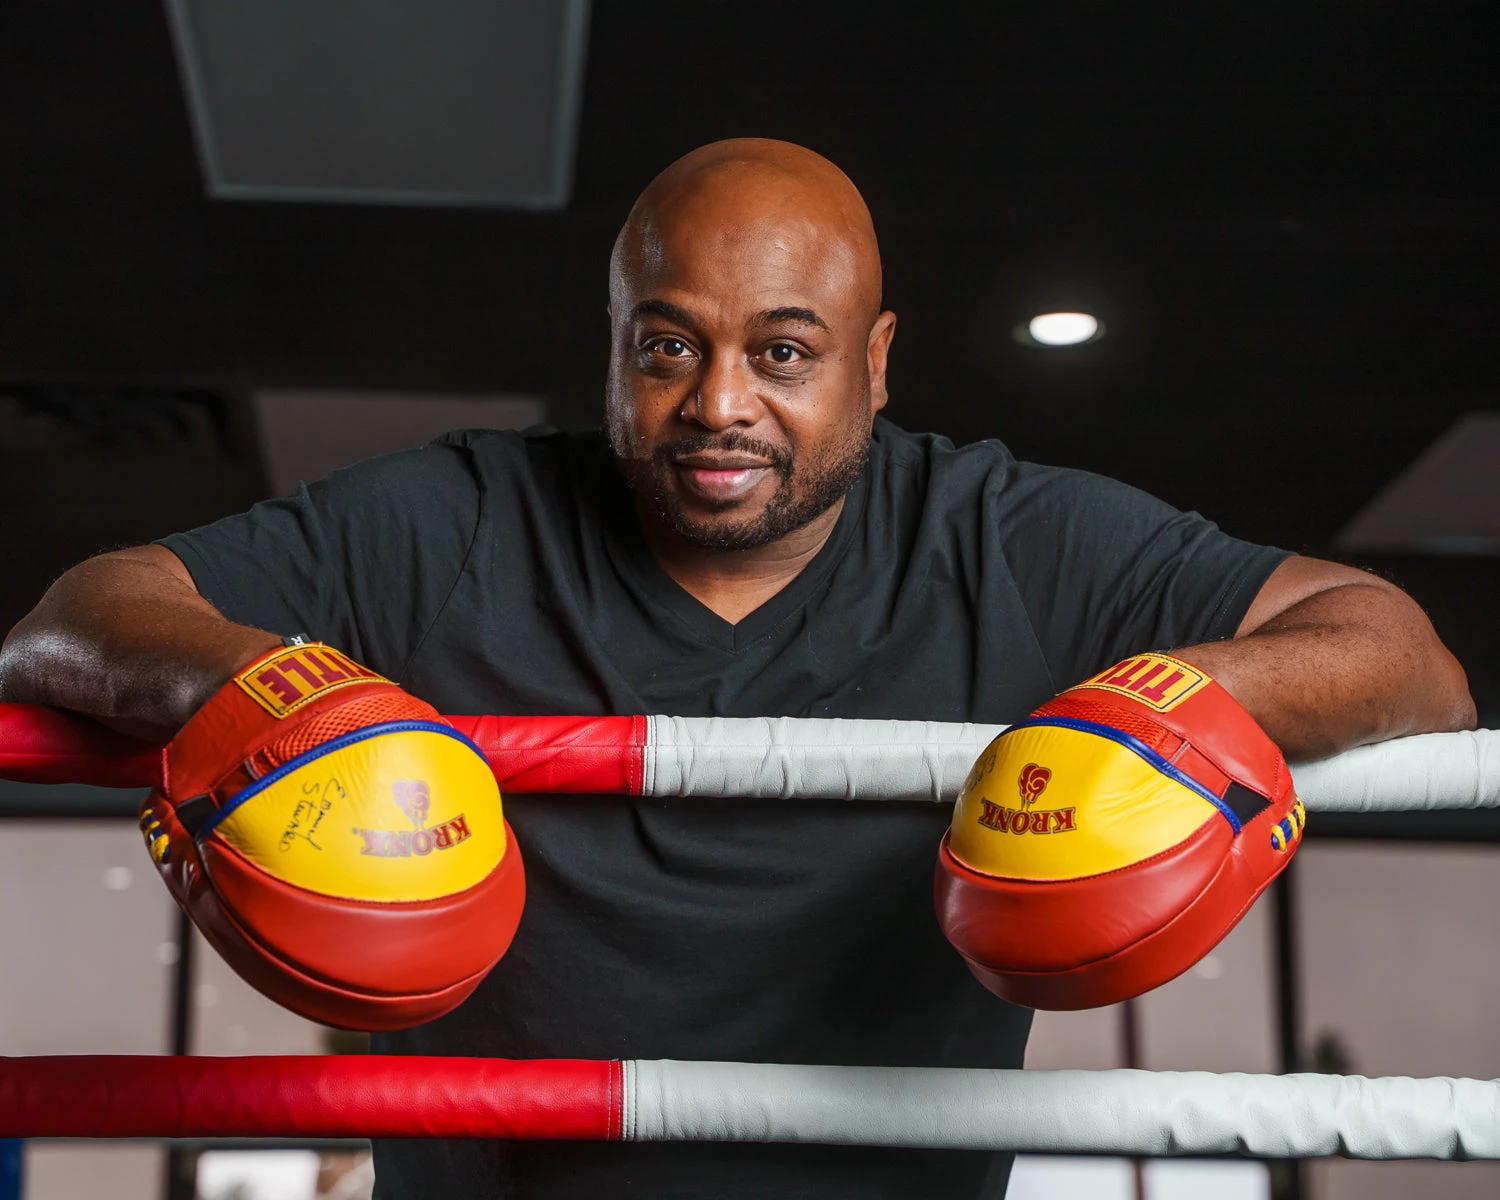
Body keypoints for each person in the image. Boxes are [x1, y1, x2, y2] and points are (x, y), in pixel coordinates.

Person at [0, 139, 1475, 1199]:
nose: (718, 405)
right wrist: (277, 688)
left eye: (783, 353)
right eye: (667, 348)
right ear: (613, 348)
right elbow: (79, 616)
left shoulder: (1008, 537)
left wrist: (1169, 715)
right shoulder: (461, 518)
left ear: (875, 363)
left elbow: (1398, 651)